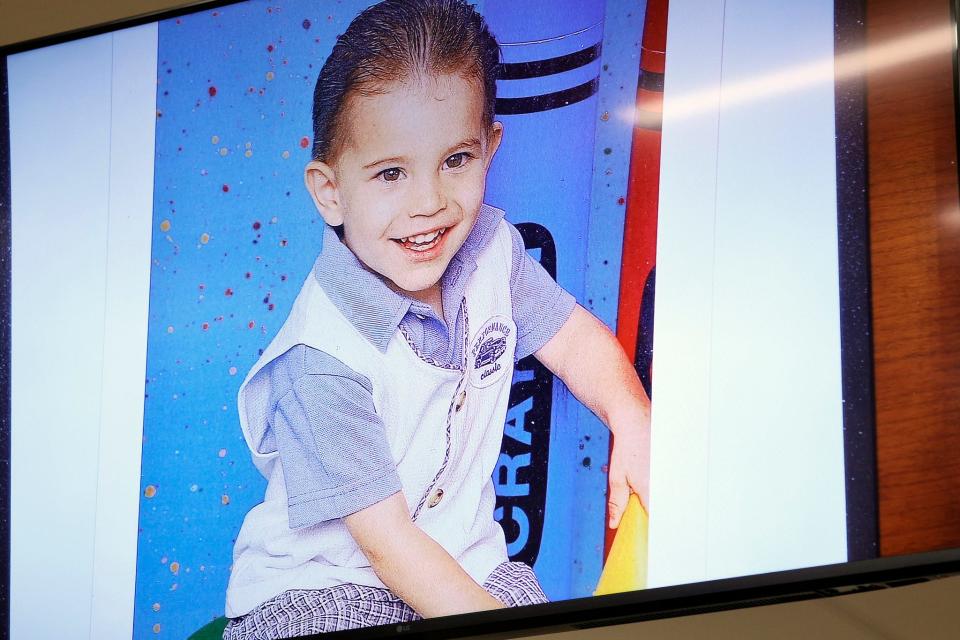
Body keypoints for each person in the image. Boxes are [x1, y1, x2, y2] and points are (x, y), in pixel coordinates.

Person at [223, 0, 651, 636]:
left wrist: (632, 415)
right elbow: (388, 546)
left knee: (524, 596)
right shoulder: (320, 359)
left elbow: (573, 339)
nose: (428, 203)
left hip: (463, 559)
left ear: (490, 149)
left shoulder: (489, 251)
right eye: (391, 173)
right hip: (328, 587)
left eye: (456, 159)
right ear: (330, 192)